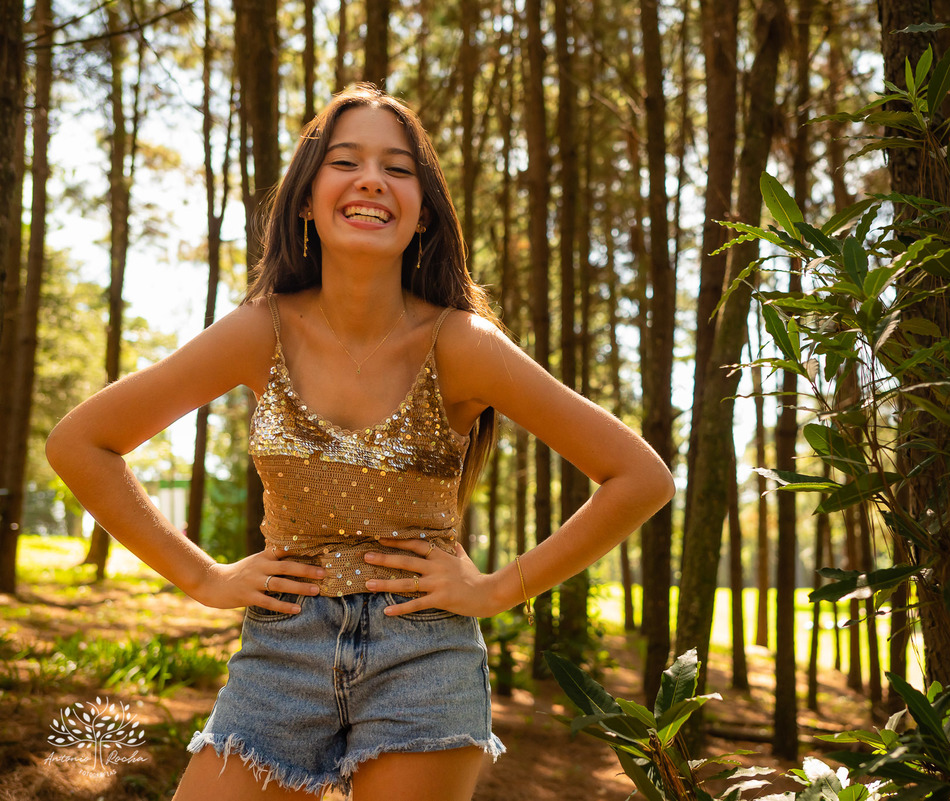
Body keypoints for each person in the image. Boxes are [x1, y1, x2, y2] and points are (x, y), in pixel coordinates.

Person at [46, 83, 675, 800]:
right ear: (307, 200)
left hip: (423, 656)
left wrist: (499, 588)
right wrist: (204, 577)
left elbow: (640, 475)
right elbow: (81, 442)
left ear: (424, 214)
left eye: (398, 168)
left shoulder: (461, 343)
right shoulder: (261, 330)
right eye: (345, 160)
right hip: (280, 653)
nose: (372, 177)